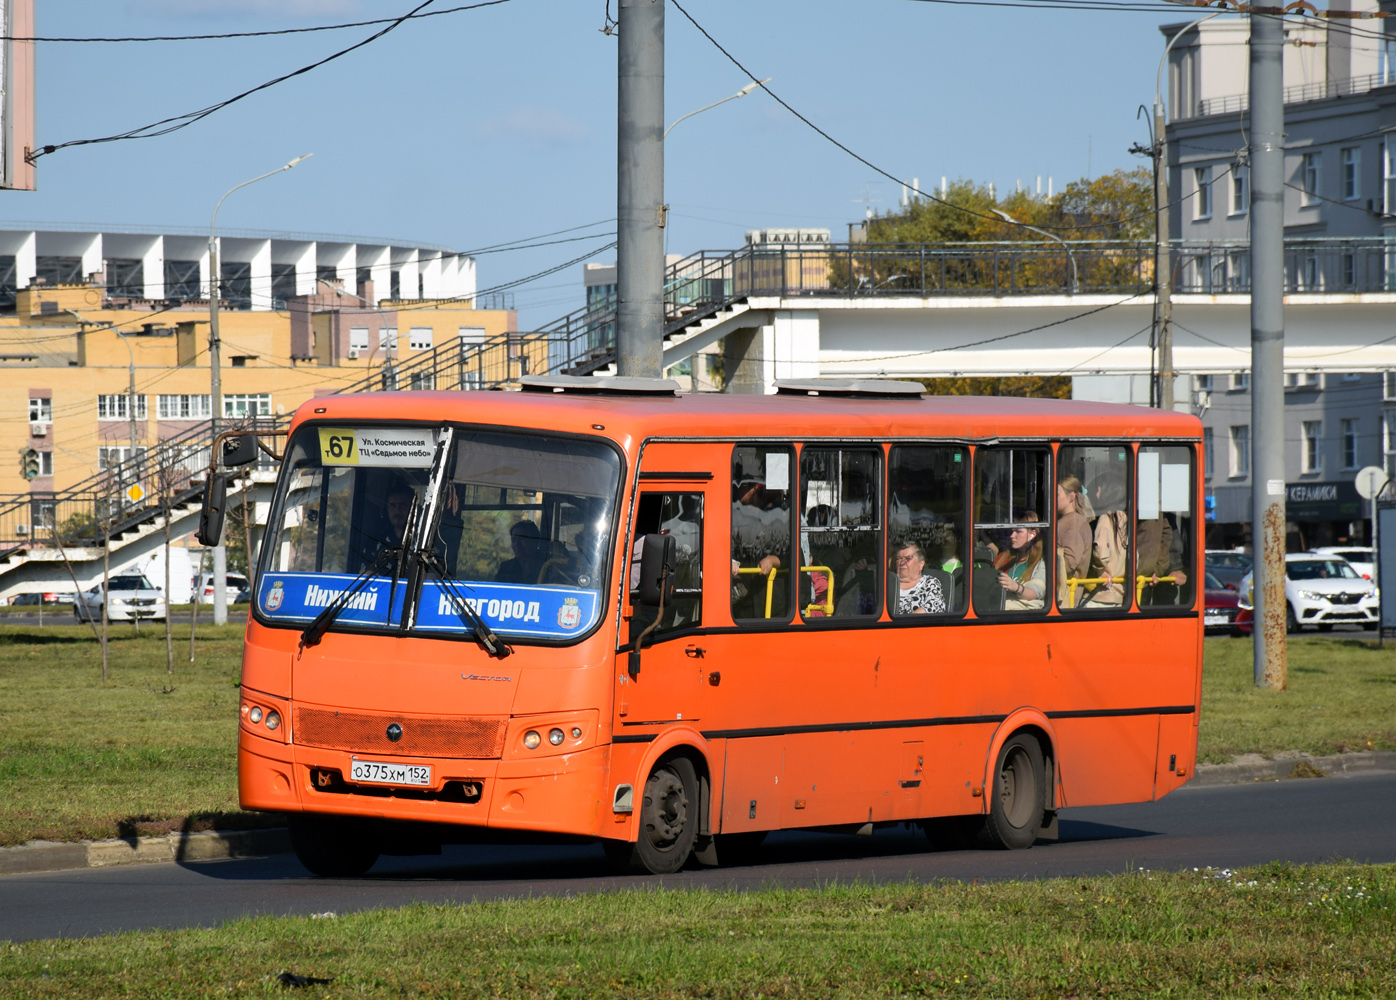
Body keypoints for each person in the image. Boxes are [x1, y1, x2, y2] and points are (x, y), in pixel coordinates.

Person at [1056, 475, 1093, 608]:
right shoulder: (1066, 520)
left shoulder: (1074, 523)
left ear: (1071, 496)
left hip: (1064, 598)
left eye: (1057, 494)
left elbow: (1069, 563)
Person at [995, 515, 1045, 610]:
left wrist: (1015, 587)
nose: (1012, 536)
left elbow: (1035, 593)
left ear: (1032, 534)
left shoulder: (1041, 562)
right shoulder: (1004, 558)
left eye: (1018, 531)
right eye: (1012, 531)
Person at [892, 540, 947, 615]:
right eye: (899, 558)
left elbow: (935, 606)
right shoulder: (889, 583)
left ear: (921, 564)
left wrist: (904, 622)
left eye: (908, 558)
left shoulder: (929, 583)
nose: (902, 562)